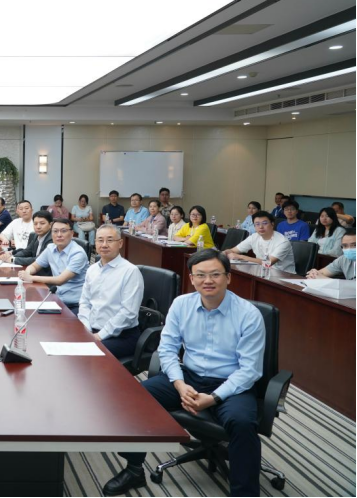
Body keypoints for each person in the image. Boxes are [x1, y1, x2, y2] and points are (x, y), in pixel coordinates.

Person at [103, 249, 265, 497]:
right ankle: (134, 469)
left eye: (215, 274)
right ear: (191, 278)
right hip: (189, 376)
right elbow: (167, 349)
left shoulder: (248, 314)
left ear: (229, 277)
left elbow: (250, 370)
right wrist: (179, 384)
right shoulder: (181, 304)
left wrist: (214, 397)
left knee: (242, 423)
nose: (207, 280)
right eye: (200, 275)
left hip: (231, 383)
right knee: (136, 399)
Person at [78, 225, 144, 359]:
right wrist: (86, 329)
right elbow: (84, 302)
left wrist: (100, 335)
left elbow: (128, 313)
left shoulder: (130, 271)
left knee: (85, 356)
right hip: (93, 330)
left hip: (122, 336)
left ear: (120, 243)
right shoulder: (92, 269)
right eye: (100, 240)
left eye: (109, 240)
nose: (104, 245)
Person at [19, 219, 89, 312]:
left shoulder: (78, 253)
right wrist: (27, 273)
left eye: (63, 231)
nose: (59, 235)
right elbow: (34, 266)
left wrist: (31, 278)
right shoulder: (50, 248)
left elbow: (60, 280)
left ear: (72, 233)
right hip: (56, 298)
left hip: (75, 304)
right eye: (55, 231)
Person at [225, 211, 296, 273]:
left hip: (284, 276)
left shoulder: (282, 242)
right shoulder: (254, 237)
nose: (261, 227)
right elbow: (233, 250)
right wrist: (224, 253)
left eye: (264, 223)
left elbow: (267, 263)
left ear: (272, 224)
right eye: (257, 224)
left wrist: (241, 257)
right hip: (262, 272)